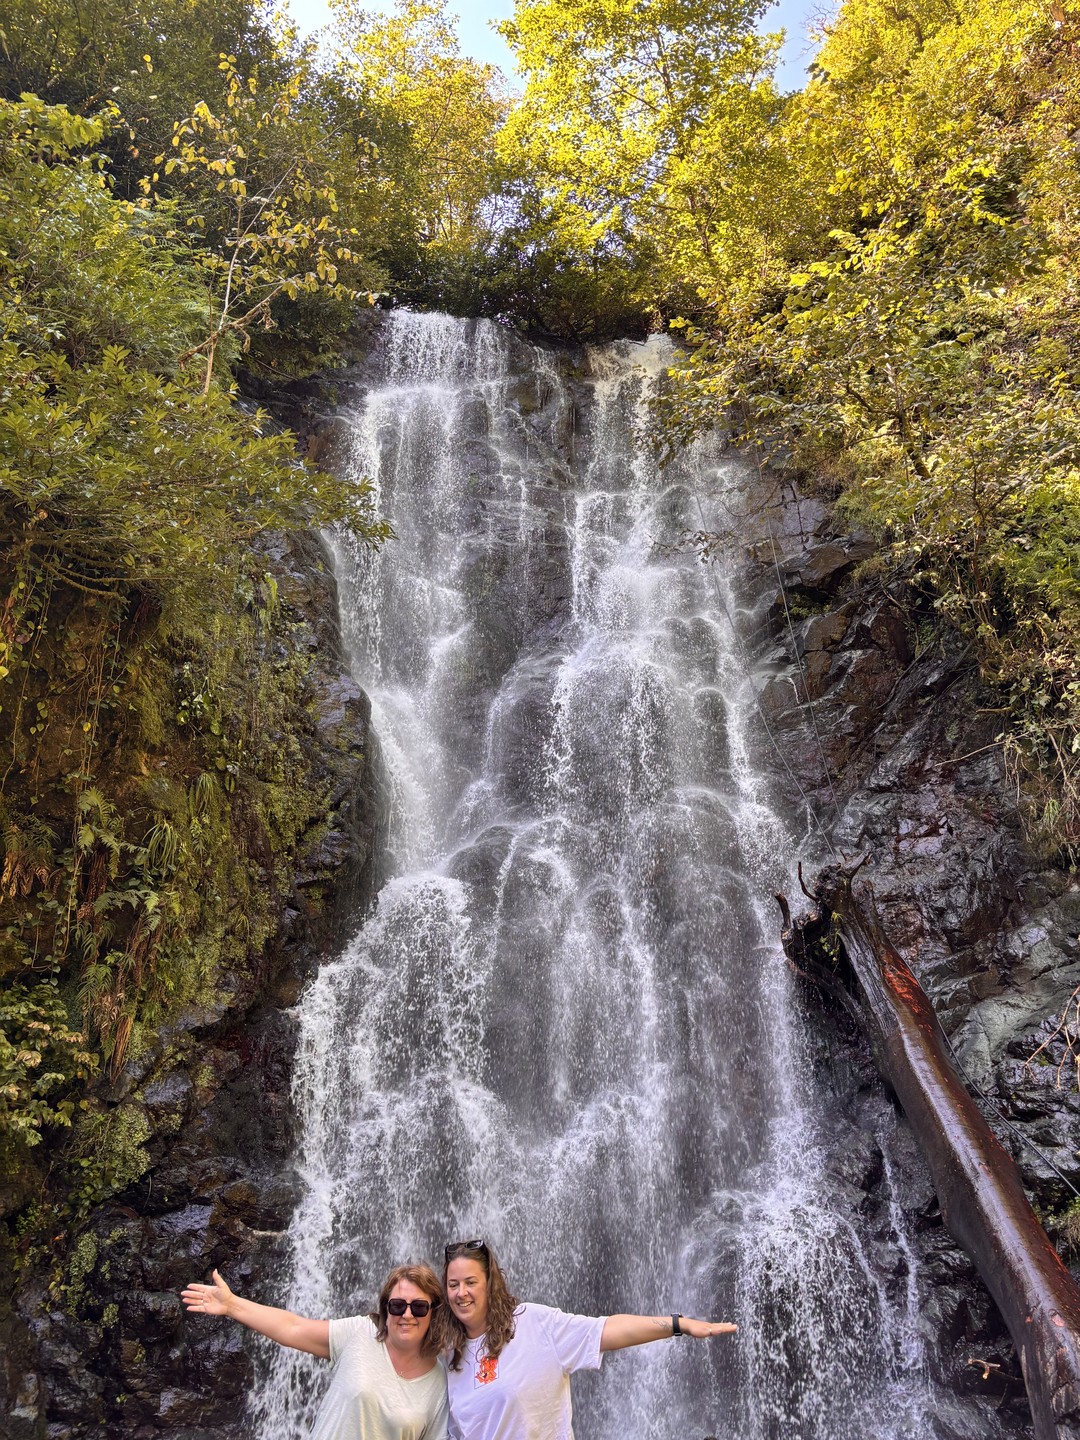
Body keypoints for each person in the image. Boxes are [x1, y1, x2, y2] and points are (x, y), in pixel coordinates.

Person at [437, 1239, 736, 1440]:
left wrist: (677, 1324)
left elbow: (606, 1330)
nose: (461, 1292)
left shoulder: (533, 1323)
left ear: (490, 1284)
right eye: (453, 1285)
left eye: (470, 1282)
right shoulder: (450, 1356)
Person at [181, 1263, 449, 1440]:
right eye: (397, 1305)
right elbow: (293, 1328)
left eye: (419, 1307)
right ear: (385, 1307)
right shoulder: (360, 1333)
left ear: (433, 1313)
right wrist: (231, 1305)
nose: (407, 1314)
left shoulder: (439, 1382)